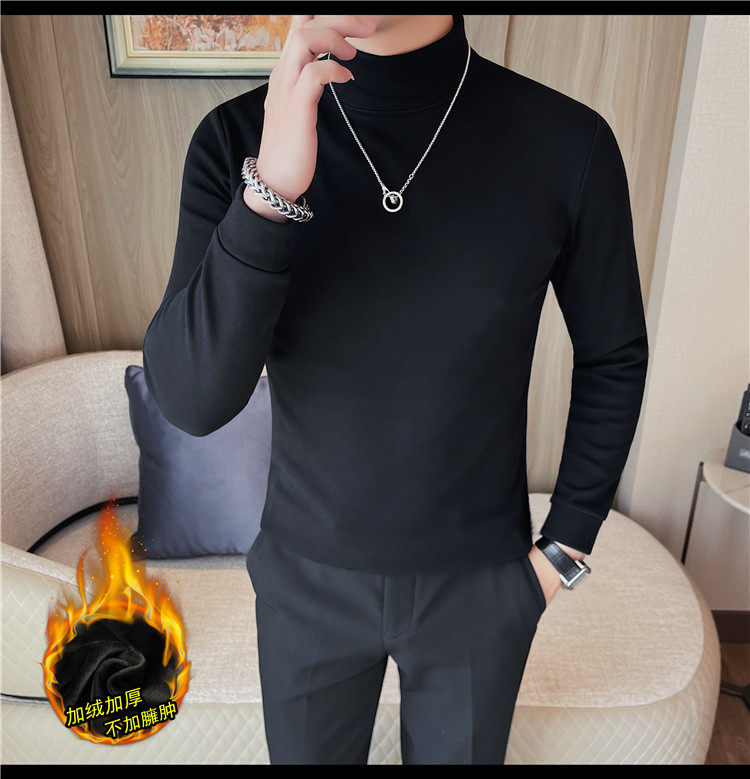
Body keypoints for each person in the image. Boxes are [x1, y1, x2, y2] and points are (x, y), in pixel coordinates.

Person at [142, 13, 649, 765]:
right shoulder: (236, 140)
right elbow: (191, 400)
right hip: (303, 585)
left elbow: (613, 354)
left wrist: (563, 550)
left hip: (480, 590)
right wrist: (270, 195)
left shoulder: (568, 144)